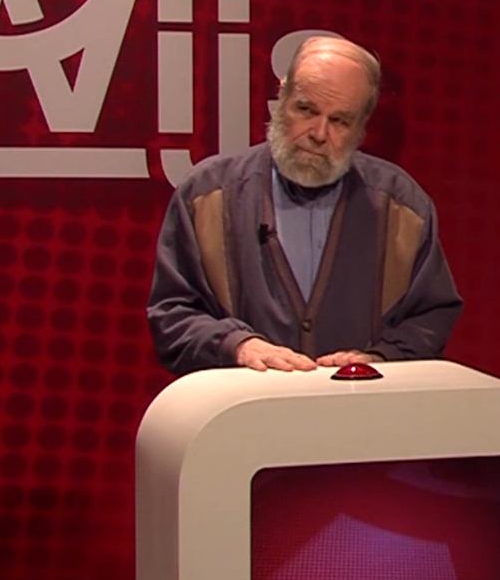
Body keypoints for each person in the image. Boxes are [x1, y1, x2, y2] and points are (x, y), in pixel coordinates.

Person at [147, 36, 463, 376]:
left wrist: (382, 358)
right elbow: (173, 315)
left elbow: (430, 317)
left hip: (361, 405)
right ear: (281, 99)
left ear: (362, 126)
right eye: (307, 110)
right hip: (241, 406)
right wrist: (236, 346)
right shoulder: (206, 196)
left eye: (340, 121)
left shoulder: (403, 208)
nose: (319, 133)